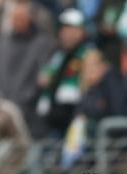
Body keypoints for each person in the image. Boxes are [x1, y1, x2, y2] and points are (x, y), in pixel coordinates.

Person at [0, 1, 56, 138]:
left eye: (21, 18)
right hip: (6, 105)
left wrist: (28, 96)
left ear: (30, 18)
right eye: (14, 18)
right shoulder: (3, 43)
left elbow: (44, 74)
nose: (17, 22)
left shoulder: (43, 43)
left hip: (32, 108)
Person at [36, 8, 92, 137]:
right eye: (65, 29)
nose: (68, 34)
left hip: (77, 120)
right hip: (54, 120)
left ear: (82, 31)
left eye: (73, 29)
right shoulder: (58, 56)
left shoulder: (88, 55)